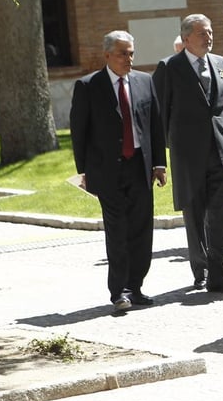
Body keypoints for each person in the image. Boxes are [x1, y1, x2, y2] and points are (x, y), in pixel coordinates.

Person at [71, 31, 167, 312]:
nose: (129, 59)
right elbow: (79, 133)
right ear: (108, 55)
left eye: (132, 53)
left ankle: (136, 286)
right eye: (123, 53)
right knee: (118, 231)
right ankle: (119, 292)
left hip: (140, 167)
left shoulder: (144, 82)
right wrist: (85, 173)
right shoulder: (89, 86)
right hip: (107, 171)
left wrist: (159, 163)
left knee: (141, 230)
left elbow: (155, 126)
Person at [153, 14, 223, 294]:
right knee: (194, 214)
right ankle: (200, 269)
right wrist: (168, 151)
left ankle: (218, 272)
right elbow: (158, 114)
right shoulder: (169, 68)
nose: (208, 37)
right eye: (202, 33)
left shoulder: (220, 63)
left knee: (219, 213)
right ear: (187, 37)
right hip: (187, 155)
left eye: (210, 32)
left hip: (219, 151)